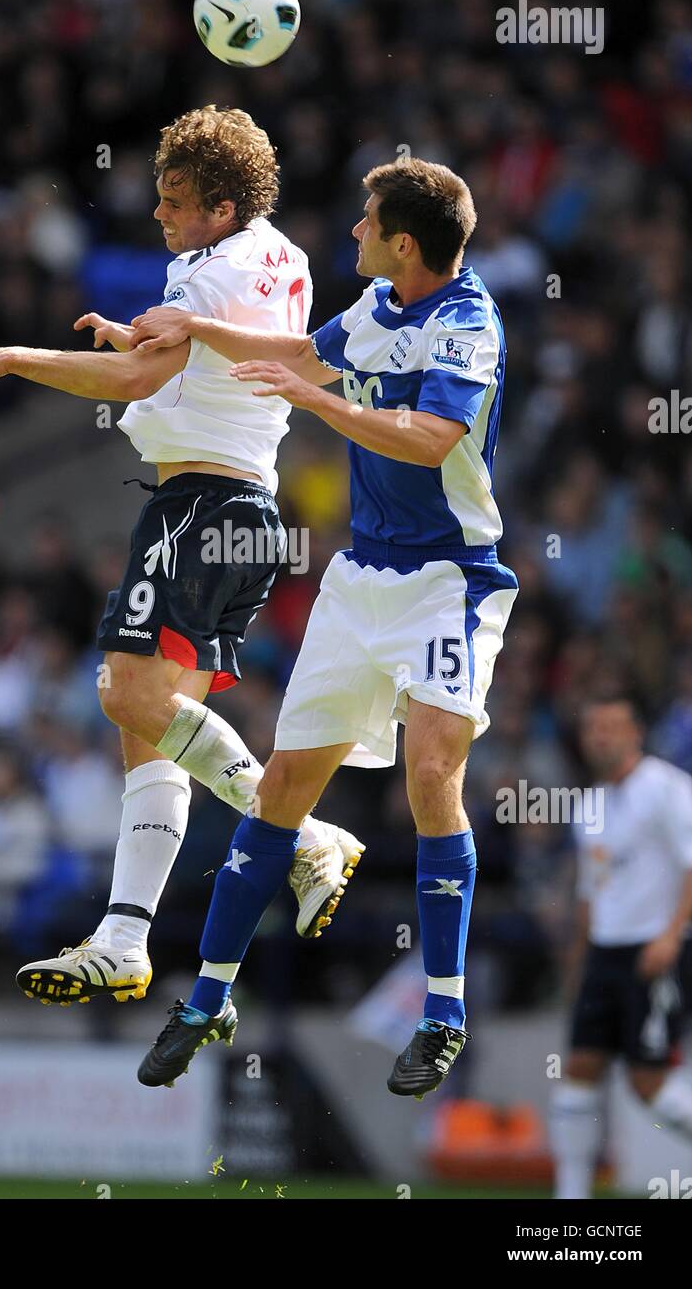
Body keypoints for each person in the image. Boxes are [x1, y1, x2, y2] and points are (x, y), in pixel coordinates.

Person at [0, 105, 364, 1008]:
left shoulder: (211, 270)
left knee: (123, 694)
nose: (161, 217)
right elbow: (181, 360)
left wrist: (15, 356)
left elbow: (138, 381)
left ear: (220, 204)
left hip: (202, 505)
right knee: (148, 733)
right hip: (237, 508)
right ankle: (124, 937)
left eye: (175, 202)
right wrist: (146, 336)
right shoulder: (276, 254)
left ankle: (297, 834)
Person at [126, 155, 518, 1097]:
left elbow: (431, 438)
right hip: (358, 582)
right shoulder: (377, 308)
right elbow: (305, 351)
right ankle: (208, 997)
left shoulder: (466, 323)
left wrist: (320, 405)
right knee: (284, 787)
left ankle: (441, 1014)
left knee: (431, 773)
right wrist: (194, 325)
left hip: (447, 583)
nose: (352, 234)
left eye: (366, 222)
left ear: (405, 242)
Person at [551, 695, 692, 1199]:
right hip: (603, 956)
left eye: (612, 726)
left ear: (636, 733)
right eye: (593, 728)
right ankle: (571, 1196)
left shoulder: (668, 789)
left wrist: (672, 934)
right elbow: (591, 892)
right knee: (579, 1072)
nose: (601, 737)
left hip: (651, 952)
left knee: (648, 1085)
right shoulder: (588, 805)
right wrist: (577, 963)